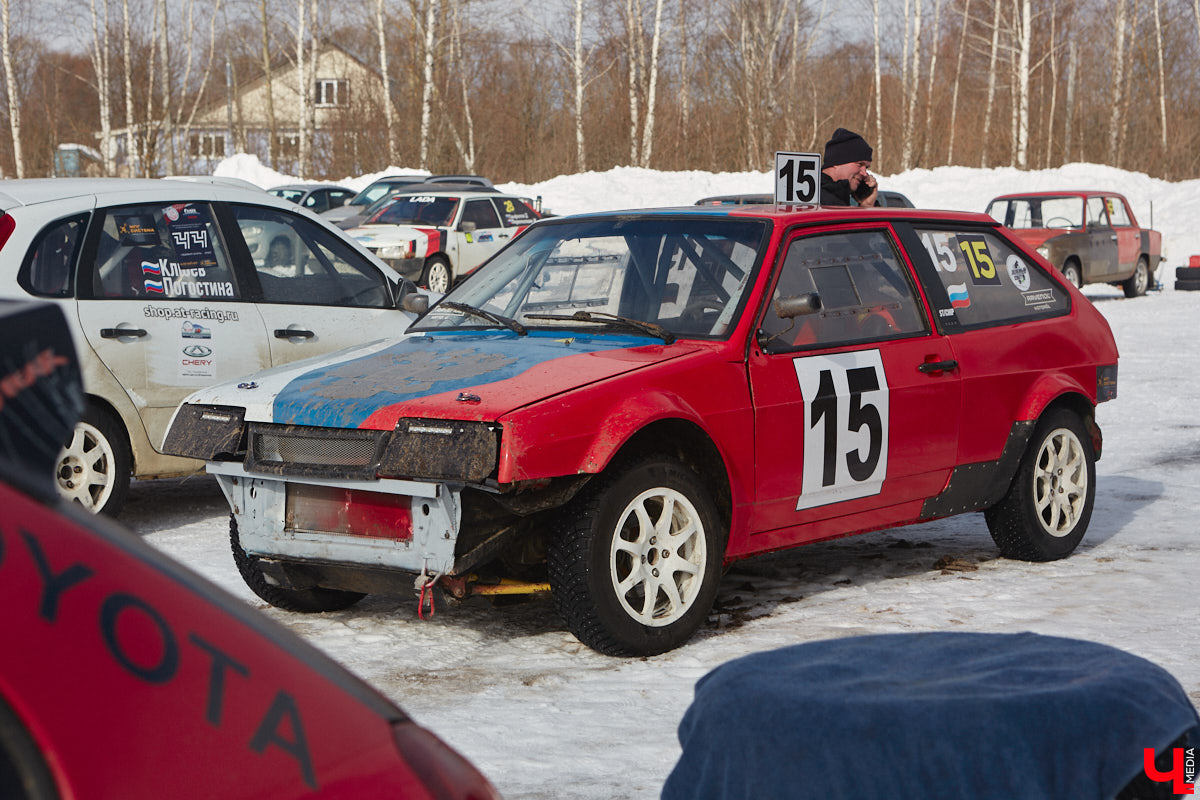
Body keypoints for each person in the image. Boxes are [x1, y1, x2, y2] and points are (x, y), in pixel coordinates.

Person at [820, 128, 878, 207]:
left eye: (866, 168)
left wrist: (867, 204)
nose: (864, 174)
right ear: (837, 161)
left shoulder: (839, 199)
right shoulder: (819, 203)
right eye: (860, 164)